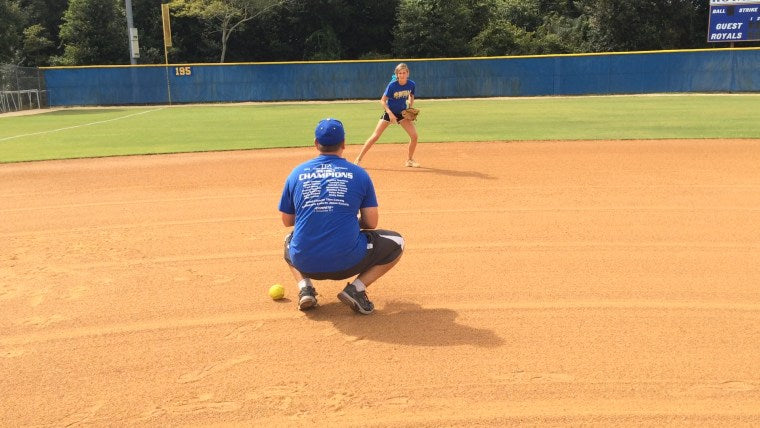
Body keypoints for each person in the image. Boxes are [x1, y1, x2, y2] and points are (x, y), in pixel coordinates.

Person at [279, 118, 405, 315]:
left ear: (315, 143)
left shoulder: (297, 173)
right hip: (349, 262)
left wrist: (315, 214)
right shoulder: (359, 174)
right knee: (397, 242)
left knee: (289, 239)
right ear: (344, 144)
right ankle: (356, 289)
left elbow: (287, 221)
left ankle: (305, 288)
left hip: (306, 263)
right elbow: (371, 223)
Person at [354, 63, 420, 168]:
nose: (402, 75)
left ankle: (409, 160)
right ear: (397, 74)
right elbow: (383, 101)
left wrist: (410, 107)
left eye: (404, 73)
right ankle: (358, 159)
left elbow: (411, 95)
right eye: (400, 73)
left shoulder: (411, 84)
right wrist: (390, 114)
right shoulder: (392, 85)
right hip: (390, 112)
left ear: (408, 73)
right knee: (375, 136)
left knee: (414, 136)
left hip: (402, 114)